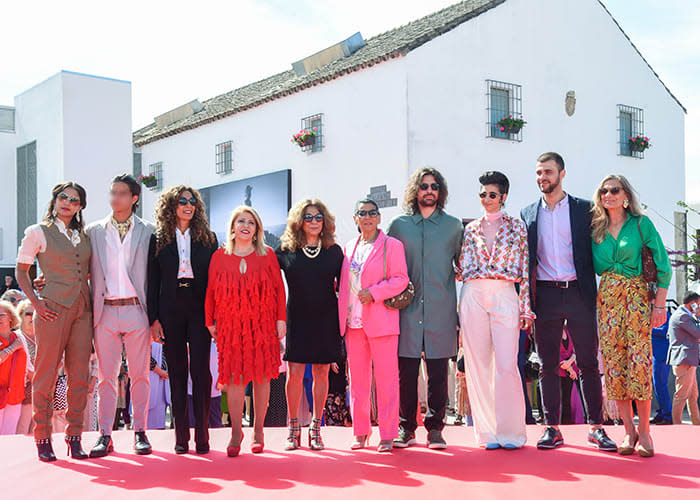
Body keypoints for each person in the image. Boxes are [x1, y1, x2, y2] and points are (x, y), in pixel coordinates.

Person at [520, 153, 616, 452]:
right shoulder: (528, 213)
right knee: (547, 366)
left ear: (562, 173)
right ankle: (551, 428)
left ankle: (597, 428)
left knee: (588, 364)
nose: (542, 177)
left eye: (547, 171)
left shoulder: (585, 210)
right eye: (538, 172)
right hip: (546, 294)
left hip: (579, 292)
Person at [591, 173, 672, 457]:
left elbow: (663, 265)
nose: (608, 195)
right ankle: (628, 430)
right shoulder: (595, 230)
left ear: (626, 196)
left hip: (637, 300)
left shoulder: (641, 224)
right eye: (603, 191)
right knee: (615, 366)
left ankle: (646, 433)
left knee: (639, 363)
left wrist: (659, 305)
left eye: (614, 190)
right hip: (608, 302)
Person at [15, 181, 93, 461]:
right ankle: (43, 438)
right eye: (63, 197)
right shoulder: (38, 232)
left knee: (79, 377)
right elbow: (21, 271)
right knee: (46, 375)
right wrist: (36, 302)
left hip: (83, 310)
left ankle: (74, 437)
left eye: (74, 200)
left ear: (80, 206)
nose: (67, 203)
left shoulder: (84, 236)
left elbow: (85, 271)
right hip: (52, 309)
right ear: (55, 200)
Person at [387, 167, 462, 449]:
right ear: (415, 191)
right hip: (405, 311)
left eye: (433, 186)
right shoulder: (398, 226)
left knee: (438, 373)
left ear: (439, 191)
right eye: (423, 186)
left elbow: (463, 264)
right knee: (405, 372)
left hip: (440, 309)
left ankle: (435, 429)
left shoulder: (454, 226)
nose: (428, 191)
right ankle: (406, 428)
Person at [457, 171, 533, 449]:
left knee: (507, 364)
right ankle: (486, 433)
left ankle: (511, 432)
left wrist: (526, 308)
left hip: (505, 293)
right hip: (473, 292)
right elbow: (462, 268)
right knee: (478, 365)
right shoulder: (470, 229)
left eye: (491, 194)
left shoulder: (517, 227)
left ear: (503, 197)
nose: (486, 199)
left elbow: (524, 269)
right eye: (482, 194)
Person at [205, 206, 286, 457]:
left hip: (262, 324)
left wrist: (281, 319)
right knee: (235, 379)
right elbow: (210, 291)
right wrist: (210, 321)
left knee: (262, 377)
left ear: (257, 229)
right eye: (241, 220)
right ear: (232, 226)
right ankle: (236, 432)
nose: (246, 225)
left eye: (251, 222)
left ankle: (258, 431)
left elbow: (278, 290)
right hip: (230, 325)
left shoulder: (268, 255)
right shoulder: (219, 256)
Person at [86, 174, 155, 457]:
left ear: (134, 198)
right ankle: (105, 434)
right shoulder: (93, 231)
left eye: (121, 193)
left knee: (140, 375)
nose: (115, 198)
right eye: (112, 192)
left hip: (137, 309)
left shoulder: (149, 230)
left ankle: (140, 431)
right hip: (105, 310)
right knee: (106, 377)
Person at [147, 185, 218, 454]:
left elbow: (214, 281)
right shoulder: (158, 238)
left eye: (192, 202)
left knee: (201, 372)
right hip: (171, 308)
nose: (188, 205)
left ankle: (203, 437)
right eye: (182, 201)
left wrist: (215, 316)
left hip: (199, 308)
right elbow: (152, 282)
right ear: (171, 206)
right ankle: (180, 438)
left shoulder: (208, 238)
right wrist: (153, 318)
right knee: (176, 373)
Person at [338, 198, 408, 452]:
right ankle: (361, 431)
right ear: (355, 219)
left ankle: (388, 433)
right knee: (357, 382)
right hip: (353, 324)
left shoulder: (392, 245)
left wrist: (374, 292)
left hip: (382, 321)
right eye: (362, 213)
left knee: (387, 380)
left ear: (379, 218)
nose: (367, 217)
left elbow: (401, 279)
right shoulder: (348, 247)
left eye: (372, 213)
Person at [276, 198, 343, 451]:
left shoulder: (334, 252)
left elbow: (346, 288)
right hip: (297, 318)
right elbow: (269, 281)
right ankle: (294, 428)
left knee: (321, 373)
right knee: (293, 374)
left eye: (318, 217)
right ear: (299, 222)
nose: (314, 221)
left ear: (324, 221)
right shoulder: (285, 250)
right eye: (308, 217)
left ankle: (316, 427)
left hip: (326, 318)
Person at [666, 291, 700, 425]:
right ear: (693, 304)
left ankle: (696, 422)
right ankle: (677, 425)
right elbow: (698, 333)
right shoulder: (682, 316)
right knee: (681, 395)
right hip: (684, 360)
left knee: (692, 395)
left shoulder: (684, 315)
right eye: (698, 304)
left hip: (687, 360)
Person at [0, 300, 27, 434]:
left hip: (15, 394)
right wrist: (13, 347)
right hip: (0, 394)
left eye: (2, 315)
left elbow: (29, 364)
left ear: (10, 317)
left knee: (10, 434)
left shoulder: (19, 337)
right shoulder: (17, 342)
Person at [15, 299, 36, 434]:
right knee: (22, 429)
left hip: (42, 391)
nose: (32, 317)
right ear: (20, 315)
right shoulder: (16, 337)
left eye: (35, 314)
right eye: (29, 313)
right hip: (21, 391)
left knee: (38, 431)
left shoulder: (42, 336)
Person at [650, 311, 673, 425]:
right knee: (656, 386)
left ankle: (668, 415)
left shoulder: (664, 313)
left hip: (662, 355)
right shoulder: (650, 312)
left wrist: (646, 328)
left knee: (660, 385)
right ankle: (662, 413)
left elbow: (665, 331)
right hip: (654, 354)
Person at [147, 341, 170, 429]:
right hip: (150, 378)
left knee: (159, 423)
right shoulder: (144, 335)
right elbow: (145, 357)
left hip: (162, 382)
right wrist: (160, 372)